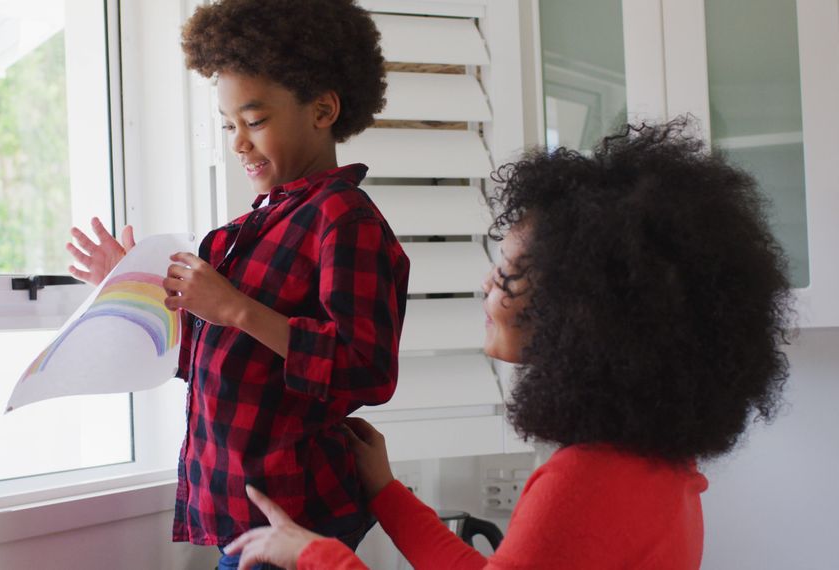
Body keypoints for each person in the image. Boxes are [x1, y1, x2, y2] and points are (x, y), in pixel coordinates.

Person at [222, 120, 794, 569]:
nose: (485, 287)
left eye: (506, 275)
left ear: (579, 306)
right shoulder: (658, 463)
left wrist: (312, 556)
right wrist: (387, 492)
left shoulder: (583, 480)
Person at [65, 1, 409, 567]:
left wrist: (236, 309)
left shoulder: (344, 220)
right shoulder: (240, 235)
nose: (237, 143)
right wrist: (131, 288)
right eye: (229, 125)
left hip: (299, 513)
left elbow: (367, 370)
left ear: (323, 109)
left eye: (254, 121)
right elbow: (210, 359)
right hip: (240, 503)